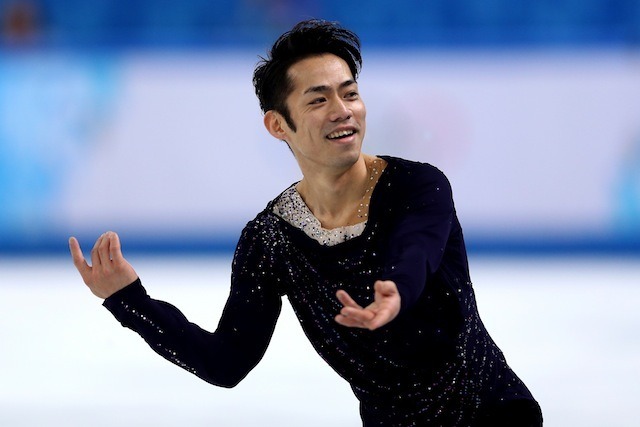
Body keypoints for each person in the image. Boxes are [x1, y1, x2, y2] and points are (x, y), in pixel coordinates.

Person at [69, 19, 542, 427]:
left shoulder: (417, 186)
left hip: (493, 412)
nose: (343, 111)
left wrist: (395, 291)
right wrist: (128, 301)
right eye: (318, 100)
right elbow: (226, 362)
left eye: (350, 93)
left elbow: (415, 248)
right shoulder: (270, 239)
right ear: (279, 125)